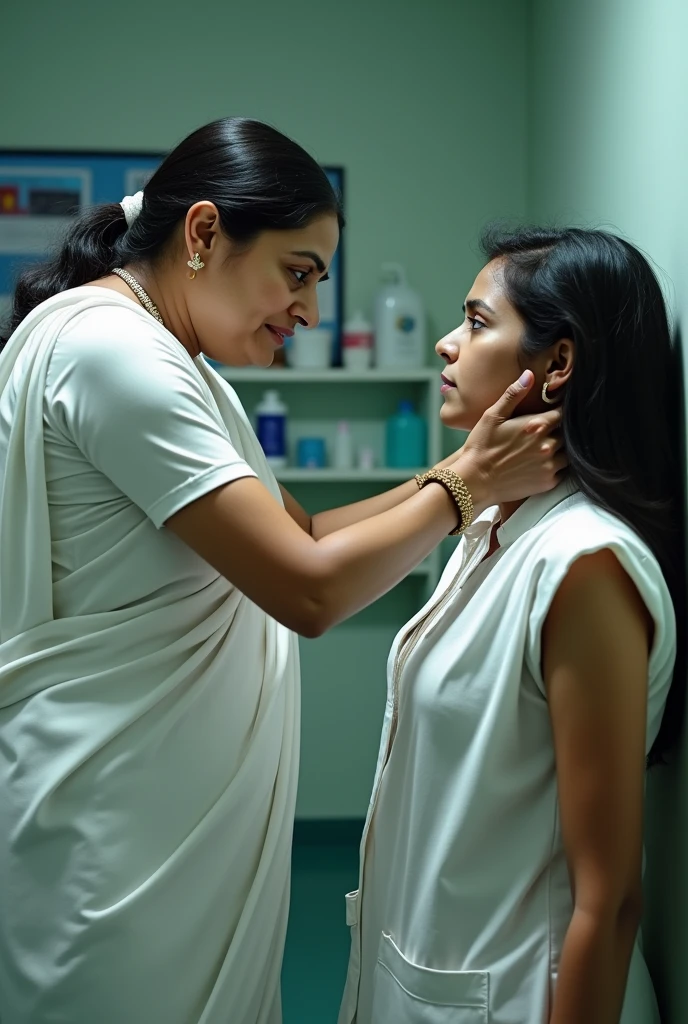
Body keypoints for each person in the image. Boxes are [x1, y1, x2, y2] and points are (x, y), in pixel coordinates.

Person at [0, 118, 564, 1024]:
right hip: (116, 828)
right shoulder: (115, 354)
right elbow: (307, 588)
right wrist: (467, 482)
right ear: (202, 234)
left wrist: (469, 477)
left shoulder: (176, 357)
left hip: (157, 814)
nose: (308, 310)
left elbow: (301, 532)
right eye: (296, 273)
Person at [338, 226, 685, 1024]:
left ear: (557, 363)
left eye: (476, 322)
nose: (446, 343)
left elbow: (609, 901)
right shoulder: (491, 527)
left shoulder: (583, 563)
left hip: (525, 998)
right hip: (435, 978)